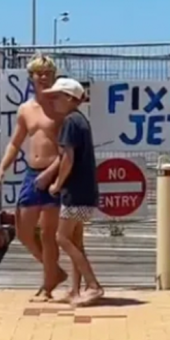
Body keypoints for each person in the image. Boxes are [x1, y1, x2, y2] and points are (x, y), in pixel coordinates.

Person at [0, 54, 66, 302]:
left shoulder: (60, 107)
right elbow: (15, 142)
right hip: (31, 173)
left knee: (47, 234)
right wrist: (3, 166)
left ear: (54, 76)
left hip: (55, 173)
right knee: (23, 231)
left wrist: (53, 172)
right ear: (32, 78)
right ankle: (53, 271)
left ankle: (47, 285)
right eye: (39, 73)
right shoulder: (25, 109)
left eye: (47, 73)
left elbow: (68, 147)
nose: (43, 77)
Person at [47, 78, 104, 306]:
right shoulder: (81, 120)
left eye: (57, 97)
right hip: (86, 190)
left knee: (61, 237)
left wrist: (57, 184)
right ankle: (75, 290)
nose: (53, 102)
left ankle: (93, 285)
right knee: (76, 241)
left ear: (70, 99)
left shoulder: (71, 121)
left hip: (76, 191)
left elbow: (67, 159)